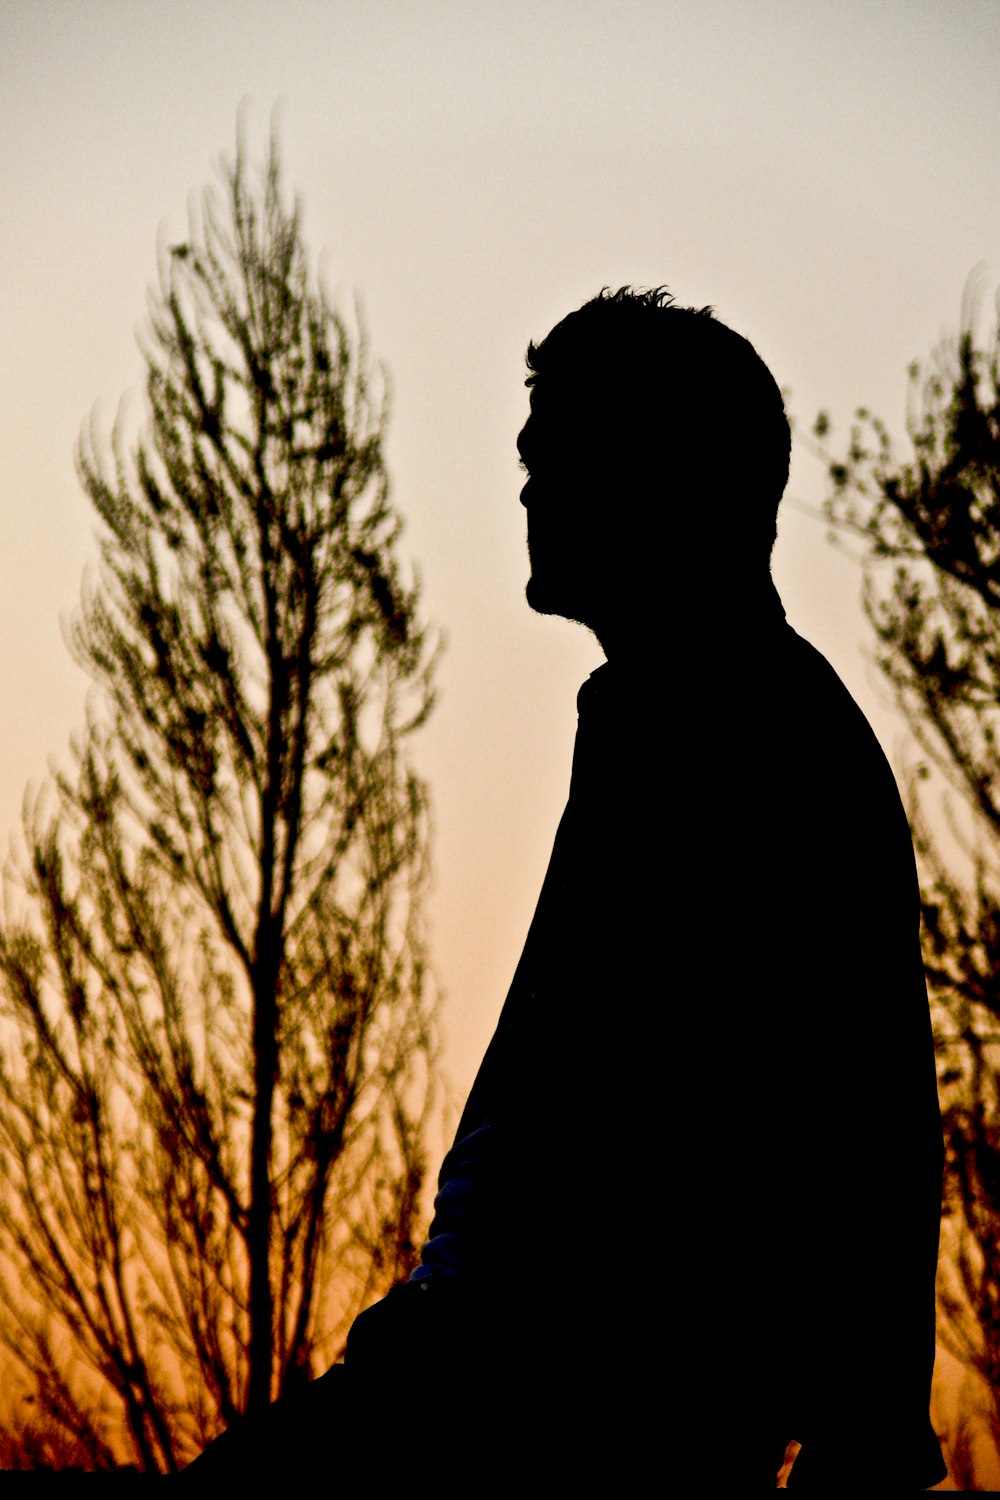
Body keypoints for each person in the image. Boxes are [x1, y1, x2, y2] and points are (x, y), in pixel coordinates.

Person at [182, 287, 946, 1489]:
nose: (530, 488)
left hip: (572, 1406)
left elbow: (868, 1095)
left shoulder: (752, 733)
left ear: (660, 475)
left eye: (558, 455)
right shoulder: (674, 715)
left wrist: (870, 1421)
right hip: (505, 1374)